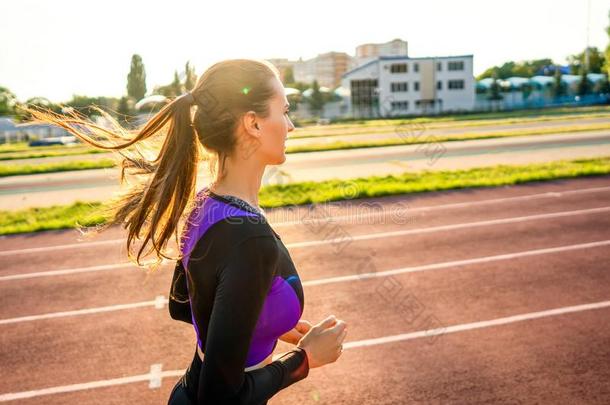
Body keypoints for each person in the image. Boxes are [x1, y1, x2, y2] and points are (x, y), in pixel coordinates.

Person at [22, 58, 347, 404]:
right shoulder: (251, 240)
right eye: (283, 111)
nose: (291, 125)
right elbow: (219, 398)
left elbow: (182, 304)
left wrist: (263, 322)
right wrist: (305, 359)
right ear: (252, 123)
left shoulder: (206, 203)